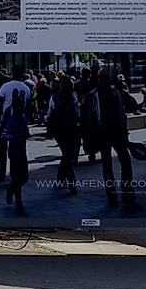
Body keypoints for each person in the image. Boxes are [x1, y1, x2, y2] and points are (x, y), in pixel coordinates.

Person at [84, 69, 140, 210]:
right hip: (103, 135)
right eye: (101, 77)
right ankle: (112, 196)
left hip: (117, 133)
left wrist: (124, 131)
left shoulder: (114, 93)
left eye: (105, 77)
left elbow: (121, 113)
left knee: (125, 164)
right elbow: (90, 118)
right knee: (108, 166)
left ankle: (127, 196)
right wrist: (93, 137)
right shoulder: (93, 95)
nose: (103, 79)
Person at [0, 65, 32, 182]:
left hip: (7, 119)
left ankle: (1, 172)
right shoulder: (26, 88)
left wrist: (4, 109)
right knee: (20, 147)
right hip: (20, 119)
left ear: (13, 73)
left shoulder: (6, 86)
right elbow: (29, 104)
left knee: (2, 147)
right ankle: (19, 172)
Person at [46, 75, 81, 195]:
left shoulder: (74, 97)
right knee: (67, 155)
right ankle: (72, 184)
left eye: (66, 83)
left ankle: (60, 177)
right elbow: (50, 114)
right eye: (62, 83)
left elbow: (77, 113)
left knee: (67, 155)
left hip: (71, 129)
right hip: (60, 130)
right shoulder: (55, 98)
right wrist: (50, 129)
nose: (64, 85)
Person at [1, 89, 31, 216]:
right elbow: (4, 136)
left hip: (22, 151)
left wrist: (26, 134)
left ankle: (11, 189)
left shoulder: (23, 118)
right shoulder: (12, 121)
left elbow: (25, 131)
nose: (23, 107)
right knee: (17, 178)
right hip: (14, 153)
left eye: (23, 105)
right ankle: (19, 205)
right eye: (20, 105)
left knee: (24, 177)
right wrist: (16, 136)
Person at [74, 67, 98, 162]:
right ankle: (91, 152)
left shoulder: (77, 84)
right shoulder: (91, 83)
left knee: (79, 133)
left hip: (79, 110)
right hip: (90, 110)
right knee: (89, 133)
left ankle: (75, 155)